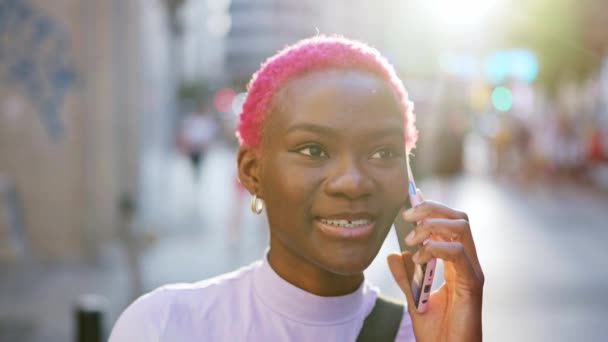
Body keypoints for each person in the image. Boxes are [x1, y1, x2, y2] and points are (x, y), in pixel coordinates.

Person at [109, 36, 484, 341]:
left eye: (383, 151)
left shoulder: (428, 335)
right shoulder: (166, 327)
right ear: (252, 172)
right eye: (313, 149)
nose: (352, 182)